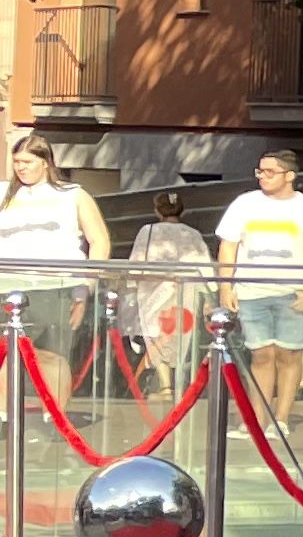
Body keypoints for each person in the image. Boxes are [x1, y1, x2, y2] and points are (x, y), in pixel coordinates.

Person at [214, 149, 303, 428]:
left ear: (289, 175)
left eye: (270, 172)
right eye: (259, 171)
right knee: (261, 354)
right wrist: (226, 288)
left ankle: (281, 419)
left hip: (293, 292)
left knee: (288, 354)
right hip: (251, 291)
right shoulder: (244, 204)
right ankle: (256, 421)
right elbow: (228, 247)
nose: (263, 177)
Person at [0, 141, 109, 396]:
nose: (21, 168)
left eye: (27, 162)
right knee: (6, 354)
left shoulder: (73, 194)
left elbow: (99, 240)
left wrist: (86, 287)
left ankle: (55, 420)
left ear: (45, 162)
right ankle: (4, 418)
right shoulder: (4, 194)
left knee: (52, 355)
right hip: (6, 285)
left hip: (56, 287)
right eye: (17, 162)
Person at [127, 187, 213, 396]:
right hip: (185, 289)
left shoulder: (147, 231)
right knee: (179, 334)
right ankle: (179, 383)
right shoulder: (192, 234)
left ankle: (166, 385)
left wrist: (130, 287)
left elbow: (137, 260)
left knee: (155, 333)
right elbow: (204, 265)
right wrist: (210, 294)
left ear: (157, 210)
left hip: (152, 288)